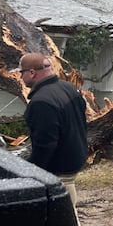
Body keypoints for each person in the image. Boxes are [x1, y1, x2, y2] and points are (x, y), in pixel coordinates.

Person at [15, 52, 88, 209]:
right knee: (69, 210)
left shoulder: (41, 101)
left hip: (58, 170)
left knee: (62, 218)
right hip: (74, 161)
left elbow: (45, 145)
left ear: (32, 73)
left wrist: (30, 170)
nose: (21, 76)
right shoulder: (69, 88)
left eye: (22, 72)